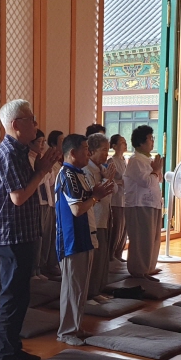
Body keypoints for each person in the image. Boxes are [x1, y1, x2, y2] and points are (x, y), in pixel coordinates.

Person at [0, 99, 61, 360]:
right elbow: (18, 197)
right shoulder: (8, 152)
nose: (36, 124)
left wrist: (39, 168)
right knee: (12, 296)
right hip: (10, 235)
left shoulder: (19, 151)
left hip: (20, 234)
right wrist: (41, 171)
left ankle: (13, 347)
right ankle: (6, 354)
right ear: (17, 124)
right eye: (32, 119)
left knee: (20, 295)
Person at [55, 135, 114, 345]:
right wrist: (96, 196)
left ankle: (76, 327)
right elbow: (77, 209)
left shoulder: (80, 174)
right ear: (72, 153)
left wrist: (97, 192)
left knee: (81, 288)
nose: (88, 153)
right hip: (71, 238)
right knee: (72, 288)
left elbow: (88, 200)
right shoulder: (67, 174)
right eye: (85, 149)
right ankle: (66, 332)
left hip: (84, 235)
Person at [122, 125, 165, 278]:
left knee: (153, 238)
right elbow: (146, 182)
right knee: (142, 239)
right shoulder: (135, 160)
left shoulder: (148, 159)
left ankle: (149, 267)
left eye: (153, 138)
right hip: (139, 204)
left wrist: (157, 170)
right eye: (150, 138)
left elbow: (158, 179)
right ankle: (139, 270)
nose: (153, 141)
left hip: (152, 204)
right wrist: (156, 170)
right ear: (141, 142)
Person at [85, 132, 113, 299]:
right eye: (103, 150)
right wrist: (106, 180)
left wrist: (107, 178)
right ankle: (91, 293)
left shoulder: (101, 169)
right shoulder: (87, 170)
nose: (106, 154)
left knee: (102, 257)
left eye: (107, 150)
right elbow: (95, 195)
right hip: (94, 219)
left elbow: (112, 190)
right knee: (95, 258)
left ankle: (99, 290)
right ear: (92, 151)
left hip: (103, 217)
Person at [29, 129, 57, 279]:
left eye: (43, 142)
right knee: (37, 237)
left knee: (46, 236)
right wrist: (44, 172)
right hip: (37, 202)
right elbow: (35, 181)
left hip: (47, 201)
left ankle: (41, 267)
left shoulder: (42, 158)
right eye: (39, 142)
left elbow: (50, 182)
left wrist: (48, 170)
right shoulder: (29, 159)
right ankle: (33, 269)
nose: (41, 145)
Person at [107, 134, 128, 262]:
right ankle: (111, 254)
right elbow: (109, 178)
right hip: (116, 199)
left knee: (124, 228)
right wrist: (121, 182)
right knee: (117, 227)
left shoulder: (124, 160)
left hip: (125, 198)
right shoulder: (112, 161)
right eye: (122, 142)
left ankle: (119, 253)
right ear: (114, 146)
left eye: (125, 142)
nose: (125, 144)